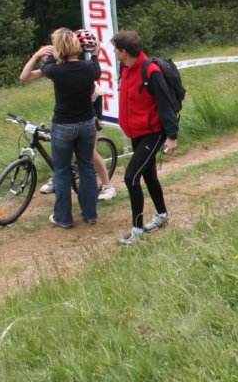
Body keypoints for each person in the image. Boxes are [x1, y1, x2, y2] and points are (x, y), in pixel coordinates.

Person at [18, 28, 100, 228]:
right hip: (87, 122)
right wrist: (95, 52)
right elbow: (95, 66)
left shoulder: (54, 70)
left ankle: (63, 218)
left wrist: (38, 54)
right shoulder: (89, 68)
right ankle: (90, 214)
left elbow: (26, 76)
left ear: (58, 49)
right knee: (87, 167)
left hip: (64, 125)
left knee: (62, 171)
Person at [111, 30, 179, 246]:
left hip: (153, 132)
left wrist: (172, 136)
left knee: (131, 177)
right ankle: (162, 215)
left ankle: (137, 233)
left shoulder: (151, 71)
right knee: (149, 176)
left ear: (123, 51)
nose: (114, 52)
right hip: (137, 132)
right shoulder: (125, 67)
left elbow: (166, 104)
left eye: (116, 49)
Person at [38, 30, 116, 200]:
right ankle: (58, 178)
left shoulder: (75, 67)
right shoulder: (69, 66)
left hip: (92, 108)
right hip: (77, 114)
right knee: (67, 149)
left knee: (91, 153)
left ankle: (107, 186)